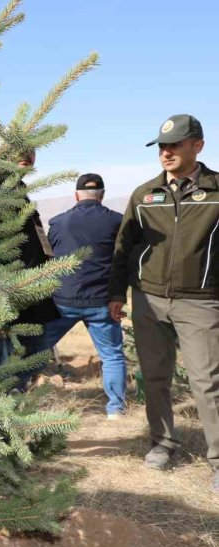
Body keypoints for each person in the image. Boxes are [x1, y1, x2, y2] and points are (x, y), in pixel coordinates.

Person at [108, 114, 219, 493]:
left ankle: (218, 460)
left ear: (197, 146)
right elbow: (123, 248)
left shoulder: (217, 190)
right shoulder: (144, 195)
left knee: (208, 382)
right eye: (162, 146)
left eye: (175, 145)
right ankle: (163, 443)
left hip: (201, 302)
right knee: (155, 377)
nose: (166, 152)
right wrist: (114, 293)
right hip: (148, 300)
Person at [46, 174, 126, 418]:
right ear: (101, 195)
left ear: (76, 195)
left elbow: (49, 258)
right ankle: (116, 410)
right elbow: (124, 260)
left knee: (34, 349)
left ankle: (17, 393)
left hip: (63, 301)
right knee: (112, 355)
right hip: (102, 301)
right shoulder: (117, 221)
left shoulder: (58, 222)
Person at [0, 149, 59, 390]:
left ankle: (12, 398)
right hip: (5, 295)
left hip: (31, 294)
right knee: (1, 365)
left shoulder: (20, 191)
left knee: (38, 354)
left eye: (31, 150)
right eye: (17, 148)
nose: (25, 154)